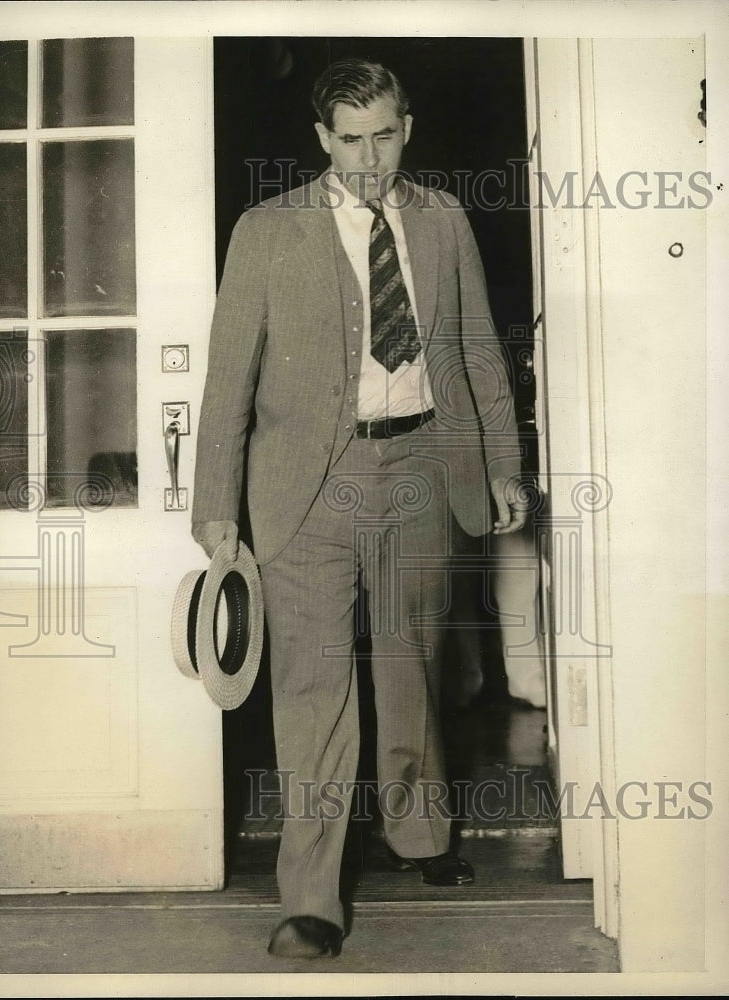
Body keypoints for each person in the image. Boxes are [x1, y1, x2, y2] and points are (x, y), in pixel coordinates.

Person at [192, 58, 527, 959]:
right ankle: (310, 899)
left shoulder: (445, 217)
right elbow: (230, 379)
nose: (369, 159)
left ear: (406, 128)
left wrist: (502, 463)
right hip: (305, 482)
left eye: (384, 135)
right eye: (350, 140)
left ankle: (421, 834)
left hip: (422, 460)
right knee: (311, 691)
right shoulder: (267, 230)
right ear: (321, 140)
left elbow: (478, 350)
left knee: (412, 668)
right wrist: (215, 505)